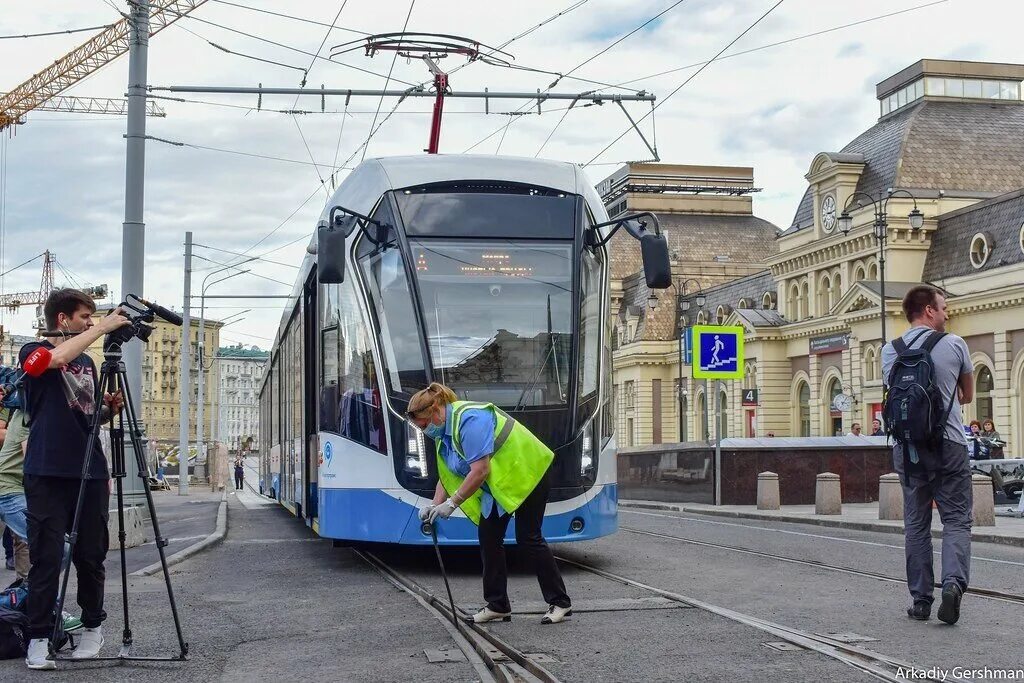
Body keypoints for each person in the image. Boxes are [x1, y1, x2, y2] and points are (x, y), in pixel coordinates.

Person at [20, 289, 131, 670]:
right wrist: (102, 327)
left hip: (89, 469)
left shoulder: (87, 362)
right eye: (85, 316)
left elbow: (83, 417)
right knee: (46, 558)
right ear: (63, 319)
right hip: (46, 470)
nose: (89, 322)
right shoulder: (32, 351)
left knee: (91, 556)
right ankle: (37, 638)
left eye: (92, 317)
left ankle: (92, 629)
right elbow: (51, 361)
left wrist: (105, 411)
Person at [408, 382, 572, 625]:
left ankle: (560, 602)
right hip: (502, 484)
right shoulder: (444, 433)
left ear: (435, 411)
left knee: (528, 537)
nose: (422, 430)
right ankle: (498, 605)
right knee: (489, 538)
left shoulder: (470, 420)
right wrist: (435, 505)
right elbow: (449, 474)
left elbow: (480, 469)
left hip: (528, 474)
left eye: (422, 425)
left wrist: (452, 504)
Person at [881, 285, 973, 626]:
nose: (946, 313)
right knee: (956, 520)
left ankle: (921, 600)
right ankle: (952, 583)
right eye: (944, 307)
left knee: (916, 523)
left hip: (907, 448)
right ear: (929, 311)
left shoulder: (889, 351)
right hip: (948, 443)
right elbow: (966, 395)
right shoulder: (955, 344)